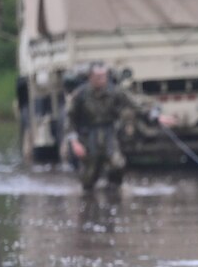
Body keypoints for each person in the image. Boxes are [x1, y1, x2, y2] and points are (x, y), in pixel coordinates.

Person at [64, 62, 170, 191]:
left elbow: (136, 106)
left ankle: (114, 190)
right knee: (89, 177)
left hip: (108, 133)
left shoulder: (115, 92)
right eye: (98, 77)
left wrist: (156, 117)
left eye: (104, 76)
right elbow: (70, 119)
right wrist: (75, 142)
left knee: (117, 164)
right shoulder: (80, 95)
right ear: (91, 77)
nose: (101, 80)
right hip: (88, 136)